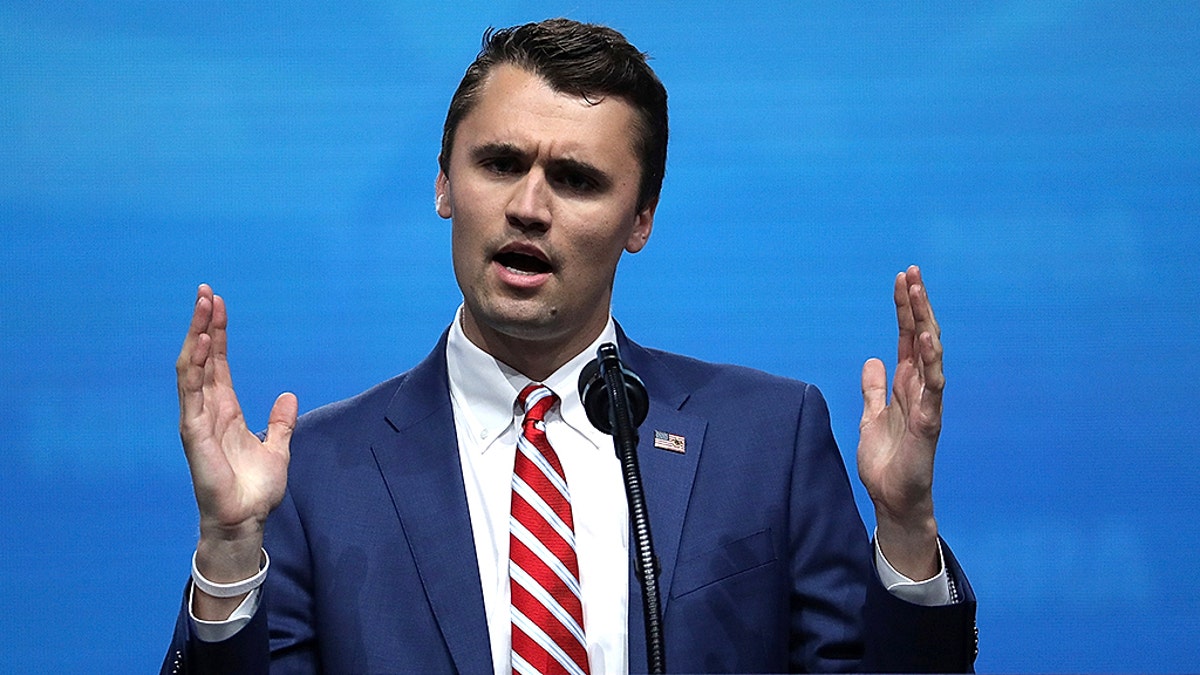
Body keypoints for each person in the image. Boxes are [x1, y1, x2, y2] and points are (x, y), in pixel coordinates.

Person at [163, 18, 976, 674]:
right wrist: (231, 551)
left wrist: (904, 525)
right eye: (499, 162)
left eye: (578, 179)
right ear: (445, 183)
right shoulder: (316, 470)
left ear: (641, 219)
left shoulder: (768, 438)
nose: (528, 206)